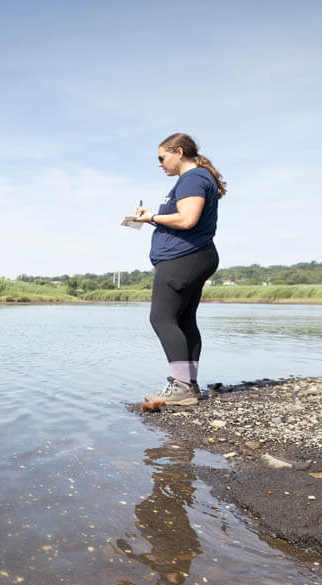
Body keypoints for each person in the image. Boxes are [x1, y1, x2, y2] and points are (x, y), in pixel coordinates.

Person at [133, 133, 225, 405]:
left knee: (161, 318)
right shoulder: (196, 179)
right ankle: (189, 386)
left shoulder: (193, 178)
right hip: (194, 256)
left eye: (162, 158)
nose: (160, 164)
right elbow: (183, 219)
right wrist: (154, 220)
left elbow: (187, 219)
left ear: (179, 152)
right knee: (184, 320)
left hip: (183, 259)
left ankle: (183, 386)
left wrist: (152, 216)